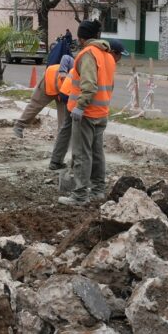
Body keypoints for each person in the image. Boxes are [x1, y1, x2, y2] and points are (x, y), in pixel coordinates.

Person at [58, 21, 124, 206]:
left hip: (86, 113)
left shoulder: (88, 54)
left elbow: (89, 85)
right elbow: (109, 86)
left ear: (81, 38)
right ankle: (98, 191)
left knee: (81, 153)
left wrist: (80, 106)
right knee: (97, 152)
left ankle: (80, 196)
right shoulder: (108, 55)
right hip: (101, 112)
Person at [13, 54, 75, 171]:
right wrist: (62, 73)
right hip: (49, 81)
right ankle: (19, 126)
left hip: (64, 93)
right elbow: (66, 57)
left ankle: (59, 153)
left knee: (64, 124)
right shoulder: (77, 63)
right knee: (35, 105)